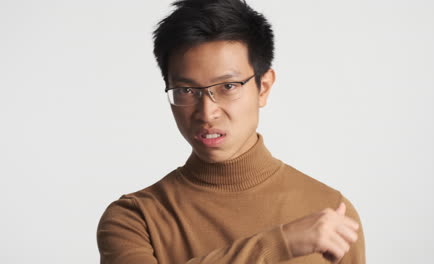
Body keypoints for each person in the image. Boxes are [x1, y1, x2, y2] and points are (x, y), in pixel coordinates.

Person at [96, 0, 366, 263]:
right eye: (186, 90)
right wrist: (281, 243)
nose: (206, 112)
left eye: (228, 86)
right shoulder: (135, 219)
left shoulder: (331, 214)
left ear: (264, 87)